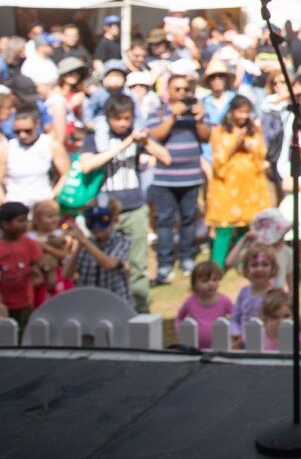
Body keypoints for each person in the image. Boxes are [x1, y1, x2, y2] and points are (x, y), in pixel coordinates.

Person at [80, 94, 172, 312]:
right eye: (117, 118)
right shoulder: (96, 136)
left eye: (127, 118)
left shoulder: (137, 135)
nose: (122, 123)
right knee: (101, 264)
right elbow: (87, 165)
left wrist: (145, 142)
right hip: (103, 210)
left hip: (134, 207)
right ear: (108, 117)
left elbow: (166, 158)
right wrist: (124, 145)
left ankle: (140, 311)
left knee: (138, 264)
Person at [148, 74, 211, 284]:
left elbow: (206, 136)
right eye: (177, 89)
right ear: (168, 90)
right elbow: (154, 136)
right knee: (165, 221)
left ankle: (187, 259)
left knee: (188, 219)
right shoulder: (158, 110)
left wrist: (199, 119)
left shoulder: (195, 111)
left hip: (191, 176)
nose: (182, 93)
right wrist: (172, 117)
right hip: (165, 178)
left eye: (185, 89)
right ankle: (165, 263)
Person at [206, 95, 275, 267]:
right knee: (224, 228)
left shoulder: (254, 131)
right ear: (231, 112)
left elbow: (262, 153)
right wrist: (235, 144)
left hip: (250, 186)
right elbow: (218, 159)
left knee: (248, 227)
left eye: (247, 112)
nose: (244, 116)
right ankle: (217, 265)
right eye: (240, 112)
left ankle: (244, 262)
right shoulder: (220, 131)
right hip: (227, 186)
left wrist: (250, 147)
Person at [0, 109, 69, 209]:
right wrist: (5, 204)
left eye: (27, 131)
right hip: (16, 207)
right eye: (17, 132)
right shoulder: (8, 149)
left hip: (43, 206)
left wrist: (52, 197)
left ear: (37, 125)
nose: (22, 135)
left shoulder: (51, 145)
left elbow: (66, 174)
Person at [0, 201, 43, 327]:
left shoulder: (29, 243)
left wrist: (36, 272)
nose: (25, 224)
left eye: (26, 220)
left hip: (25, 301)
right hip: (0, 302)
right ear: (5, 224)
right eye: (20, 221)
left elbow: (37, 264)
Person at [67, 202, 132, 305]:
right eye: (92, 221)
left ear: (113, 220)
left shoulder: (122, 240)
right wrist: (78, 247)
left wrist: (85, 242)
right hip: (88, 303)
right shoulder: (85, 243)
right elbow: (66, 274)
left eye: (102, 220)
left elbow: (109, 264)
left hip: (115, 303)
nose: (96, 227)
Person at [176, 260, 233, 349]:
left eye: (215, 280)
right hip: (195, 348)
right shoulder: (190, 302)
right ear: (195, 284)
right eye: (205, 281)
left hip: (220, 348)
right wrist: (180, 331)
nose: (211, 284)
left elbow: (237, 317)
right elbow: (179, 318)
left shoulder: (224, 301)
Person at [230, 248, 277, 349]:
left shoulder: (274, 294)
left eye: (265, 264)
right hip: (241, 345)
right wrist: (236, 332)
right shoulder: (244, 292)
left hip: (265, 345)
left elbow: (275, 324)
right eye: (254, 265)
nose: (259, 269)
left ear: (273, 268)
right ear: (246, 269)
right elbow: (234, 318)